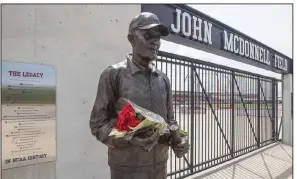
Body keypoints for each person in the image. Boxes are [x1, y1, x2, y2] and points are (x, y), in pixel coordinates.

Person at [89, 12, 189, 179]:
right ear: (131, 39)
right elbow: (98, 124)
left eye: (158, 37)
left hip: (160, 167)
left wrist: (179, 140)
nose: (155, 41)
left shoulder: (163, 80)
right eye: (148, 35)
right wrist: (129, 138)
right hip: (127, 168)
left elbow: (170, 122)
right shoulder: (113, 75)